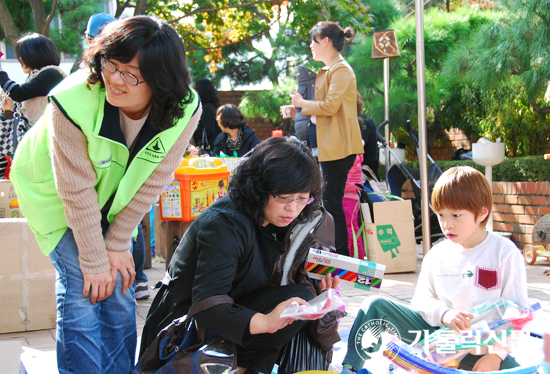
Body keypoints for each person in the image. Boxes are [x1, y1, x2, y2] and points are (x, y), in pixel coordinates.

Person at [10, 16, 201, 374]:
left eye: (131, 73)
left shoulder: (185, 109)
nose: (114, 78)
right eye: (110, 64)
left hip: (110, 196)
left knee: (120, 282)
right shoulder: (71, 101)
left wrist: (116, 243)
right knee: (85, 285)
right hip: (53, 190)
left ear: (160, 81)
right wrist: (96, 259)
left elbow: (156, 177)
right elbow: (76, 192)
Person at [141, 137, 342, 374]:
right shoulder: (224, 225)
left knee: (300, 299)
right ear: (259, 188)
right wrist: (266, 322)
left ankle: (244, 367)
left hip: (232, 312)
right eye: (284, 197)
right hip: (184, 329)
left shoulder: (281, 220)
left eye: (301, 198)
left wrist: (320, 288)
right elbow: (206, 307)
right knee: (291, 303)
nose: (293, 208)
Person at [341, 166, 528, 373]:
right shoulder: (437, 254)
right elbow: (422, 300)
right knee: (375, 305)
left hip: (481, 347)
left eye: (456, 215)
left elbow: (518, 311)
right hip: (438, 338)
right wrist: (444, 314)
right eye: (441, 215)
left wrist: (496, 354)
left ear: (482, 212)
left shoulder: (505, 253)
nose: (447, 224)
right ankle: (351, 368)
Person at [286, 21, 364, 256]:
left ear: (326, 41)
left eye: (314, 40)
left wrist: (302, 104)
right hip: (332, 146)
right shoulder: (333, 69)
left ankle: (340, 257)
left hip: (339, 147)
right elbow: (324, 109)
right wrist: (297, 109)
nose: (311, 45)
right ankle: (335, 254)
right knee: (328, 203)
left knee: (331, 204)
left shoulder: (340, 70)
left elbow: (330, 107)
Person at [0, 33, 66, 125]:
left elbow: (18, 93)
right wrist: (11, 108)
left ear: (34, 54)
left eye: (22, 55)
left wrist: (1, 73)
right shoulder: (38, 75)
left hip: (52, 135)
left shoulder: (51, 74)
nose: (19, 59)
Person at [343, 150, 364, 259]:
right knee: (354, 228)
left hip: (347, 193)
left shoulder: (348, 151)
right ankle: (358, 257)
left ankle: (351, 257)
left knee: (348, 229)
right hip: (353, 194)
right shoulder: (356, 150)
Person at [192, 78, 221, 154]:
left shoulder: (206, 108)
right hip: (214, 147)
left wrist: (193, 128)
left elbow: (208, 130)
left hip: (210, 149)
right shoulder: (213, 106)